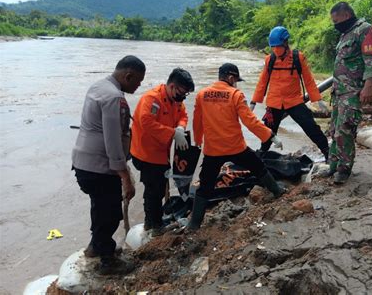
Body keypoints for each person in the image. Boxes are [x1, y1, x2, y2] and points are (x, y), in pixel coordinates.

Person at [188, 63, 286, 230]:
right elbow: (250, 121)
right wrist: (270, 135)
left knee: (205, 185)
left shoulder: (202, 95)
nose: (236, 84)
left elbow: (197, 122)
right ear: (231, 78)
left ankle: (194, 224)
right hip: (235, 147)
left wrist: (198, 141)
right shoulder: (235, 95)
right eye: (236, 80)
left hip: (213, 150)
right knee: (258, 166)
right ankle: (277, 191)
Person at [72, 55, 145, 274]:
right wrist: (125, 176)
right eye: (138, 81)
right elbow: (112, 141)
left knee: (100, 207)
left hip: (82, 163)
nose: (138, 85)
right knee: (111, 213)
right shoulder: (115, 98)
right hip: (99, 166)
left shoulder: (98, 86)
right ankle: (107, 261)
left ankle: (95, 247)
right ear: (128, 75)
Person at [250, 26, 330, 161]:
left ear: (286, 43)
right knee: (268, 130)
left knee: (310, 126)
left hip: (294, 100)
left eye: (278, 46)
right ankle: (262, 155)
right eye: (273, 47)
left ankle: (327, 152)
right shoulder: (270, 60)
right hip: (274, 102)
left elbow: (309, 80)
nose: (276, 50)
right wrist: (254, 101)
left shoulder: (298, 58)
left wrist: (318, 99)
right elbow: (263, 81)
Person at [130, 68, 195, 236]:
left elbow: (183, 115)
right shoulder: (153, 100)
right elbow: (147, 122)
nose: (183, 97)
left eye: (186, 94)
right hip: (146, 153)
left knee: (158, 187)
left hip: (161, 152)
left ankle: (152, 222)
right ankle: (153, 225)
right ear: (172, 86)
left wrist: (180, 127)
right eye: (182, 92)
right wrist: (173, 133)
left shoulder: (175, 99)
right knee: (154, 189)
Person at [326, 2, 372, 184]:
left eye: (336, 20)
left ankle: (344, 169)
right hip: (339, 91)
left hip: (353, 91)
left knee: (345, 130)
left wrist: (368, 86)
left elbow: (371, 60)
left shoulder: (366, 30)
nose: (335, 24)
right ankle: (333, 165)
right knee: (334, 130)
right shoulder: (345, 34)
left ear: (347, 15)